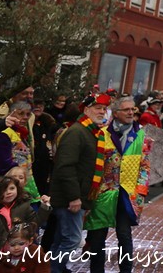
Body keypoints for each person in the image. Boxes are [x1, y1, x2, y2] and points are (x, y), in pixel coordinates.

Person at [48, 92, 114, 273]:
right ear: (86, 110)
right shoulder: (77, 132)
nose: (102, 112)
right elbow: (65, 166)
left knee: (62, 239)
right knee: (72, 240)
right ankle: (55, 270)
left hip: (77, 196)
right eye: (98, 108)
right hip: (69, 198)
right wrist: (74, 197)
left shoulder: (90, 132)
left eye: (104, 109)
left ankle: (53, 268)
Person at [82, 97, 139, 273]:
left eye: (133, 109)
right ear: (115, 113)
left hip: (126, 193)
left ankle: (126, 271)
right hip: (102, 192)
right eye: (126, 110)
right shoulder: (101, 133)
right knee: (98, 236)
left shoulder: (140, 135)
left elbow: (145, 166)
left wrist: (140, 191)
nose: (131, 113)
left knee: (124, 235)